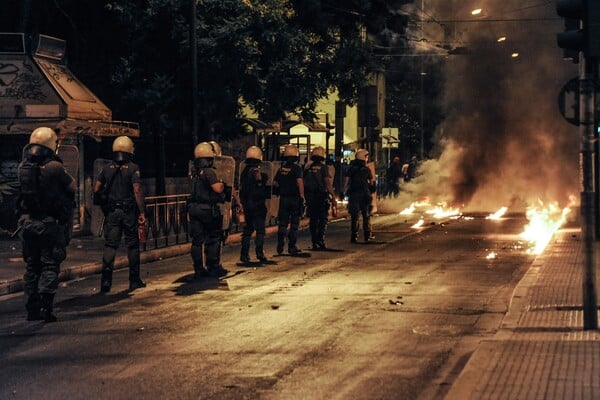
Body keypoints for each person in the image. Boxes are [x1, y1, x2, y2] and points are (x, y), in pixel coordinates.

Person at [17, 127, 76, 322]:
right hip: (49, 224)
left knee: (32, 267)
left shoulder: (22, 168)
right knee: (50, 265)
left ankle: (31, 309)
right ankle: (46, 308)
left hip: (27, 223)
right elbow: (72, 186)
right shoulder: (55, 168)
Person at [94, 136, 147, 293]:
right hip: (128, 212)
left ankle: (105, 282)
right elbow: (137, 190)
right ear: (130, 150)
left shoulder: (106, 168)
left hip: (112, 212)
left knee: (111, 245)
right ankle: (134, 280)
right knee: (132, 245)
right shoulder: (133, 168)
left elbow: (97, 189)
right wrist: (142, 211)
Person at [186, 142, 228, 278]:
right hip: (207, 209)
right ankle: (213, 266)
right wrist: (223, 184)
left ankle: (198, 269)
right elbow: (217, 188)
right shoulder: (209, 172)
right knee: (214, 238)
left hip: (193, 208)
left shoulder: (194, 172)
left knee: (197, 241)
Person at [238, 146, 270, 263]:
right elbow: (260, 185)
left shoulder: (244, 171)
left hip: (247, 205)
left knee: (247, 231)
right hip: (257, 205)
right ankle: (260, 253)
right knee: (260, 230)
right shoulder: (256, 171)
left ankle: (244, 255)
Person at [274, 144, 305, 255]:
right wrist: (302, 196)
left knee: (282, 223)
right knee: (294, 223)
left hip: (283, 198)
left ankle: (280, 245)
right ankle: (292, 247)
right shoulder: (297, 168)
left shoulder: (281, 169)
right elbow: (300, 183)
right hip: (294, 198)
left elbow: (275, 183)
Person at [304, 146, 336, 250]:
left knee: (313, 219)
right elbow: (327, 182)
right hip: (320, 196)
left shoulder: (307, 167)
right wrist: (333, 197)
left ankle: (314, 241)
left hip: (309, 196)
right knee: (323, 219)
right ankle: (320, 240)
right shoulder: (323, 167)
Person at [343, 148, 375, 243]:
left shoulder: (351, 168)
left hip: (353, 194)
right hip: (364, 194)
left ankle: (354, 236)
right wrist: (372, 191)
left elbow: (346, 181)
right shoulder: (366, 169)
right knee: (366, 215)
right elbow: (371, 182)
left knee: (354, 216)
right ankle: (367, 235)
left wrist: (343, 191)